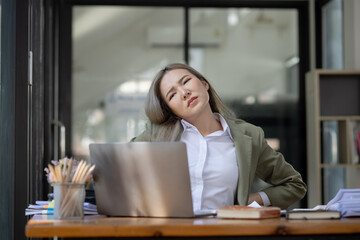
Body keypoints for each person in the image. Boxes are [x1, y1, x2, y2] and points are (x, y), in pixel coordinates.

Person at [132, 63, 306, 210]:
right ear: (170, 109)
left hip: (224, 234)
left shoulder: (248, 136)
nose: (184, 92)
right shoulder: (156, 136)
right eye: (172, 94)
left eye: (186, 81)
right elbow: (116, 170)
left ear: (204, 83)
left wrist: (247, 202)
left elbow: (294, 185)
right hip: (171, 235)